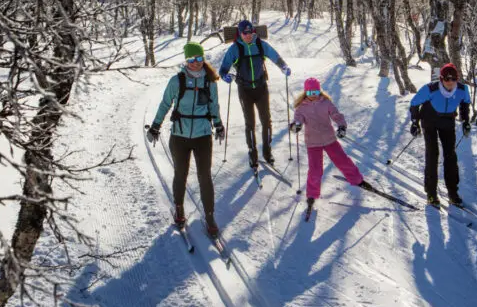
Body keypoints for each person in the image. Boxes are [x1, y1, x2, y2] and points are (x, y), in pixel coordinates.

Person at [147, 42, 225, 238]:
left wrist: (218, 125)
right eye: (192, 60)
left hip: (202, 136)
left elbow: (214, 106)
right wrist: (155, 126)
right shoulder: (177, 81)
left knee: (204, 176)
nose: (196, 63)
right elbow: (165, 104)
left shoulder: (209, 82)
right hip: (180, 136)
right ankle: (179, 208)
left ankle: (209, 216)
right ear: (186, 60)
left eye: (199, 59)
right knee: (180, 174)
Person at [218, 19, 291, 168]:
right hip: (244, 90)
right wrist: (225, 76)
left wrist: (284, 67)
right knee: (250, 123)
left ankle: (267, 152)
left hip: (261, 87)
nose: (248, 35)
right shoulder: (235, 49)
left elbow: (275, 56)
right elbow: (223, 68)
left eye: (250, 32)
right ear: (240, 33)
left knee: (266, 121)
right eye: (245, 33)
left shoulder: (260, 45)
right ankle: (253, 153)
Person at [291, 77, 368, 206]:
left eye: (315, 92)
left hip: (329, 139)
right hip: (313, 143)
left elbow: (336, 115)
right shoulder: (301, 108)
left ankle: (357, 180)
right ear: (305, 93)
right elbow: (297, 120)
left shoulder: (325, 102)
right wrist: (296, 125)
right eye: (310, 93)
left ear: (319, 91)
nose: (313, 96)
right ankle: (312, 194)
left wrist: (341, 126)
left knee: (343, 161)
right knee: (315, 170)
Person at [409, 62, 471, 207]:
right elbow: (414, 104)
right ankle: (431, 193)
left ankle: (452, 192)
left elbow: (465, 104)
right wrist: (414, 122)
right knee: (433, 154)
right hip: (429, 120)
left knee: (450, 156)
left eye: (453, 79)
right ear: (441, 79)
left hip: (447, 121)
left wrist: (466, 121)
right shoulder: (430, 89)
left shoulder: (462, 89)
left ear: (457, 79)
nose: (450, 83)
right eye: (447, 79)